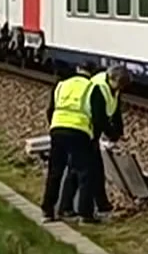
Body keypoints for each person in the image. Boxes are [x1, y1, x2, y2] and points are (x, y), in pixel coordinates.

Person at [40, 64, 114, 224]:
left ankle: (47, 210)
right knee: (84, 173)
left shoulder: (61, 85)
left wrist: (55, 126)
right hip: (79, 132)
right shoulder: (92, 88)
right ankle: (85, 214)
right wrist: (98, 135)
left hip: (57, 130)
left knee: (55, 172)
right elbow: (98, 117)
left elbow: (50, 110)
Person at [81, 63, 130, 217]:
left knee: (94, 170)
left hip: (90, 133)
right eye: (119, 85)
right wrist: (111, 134)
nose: (119, 89)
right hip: (85, 131)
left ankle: (101, 206)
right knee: (89, 171)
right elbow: (99, 118)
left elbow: (115, 111)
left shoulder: (112, 87)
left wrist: (119, 131)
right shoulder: (99, 88)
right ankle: (86, 211)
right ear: (112, 79)